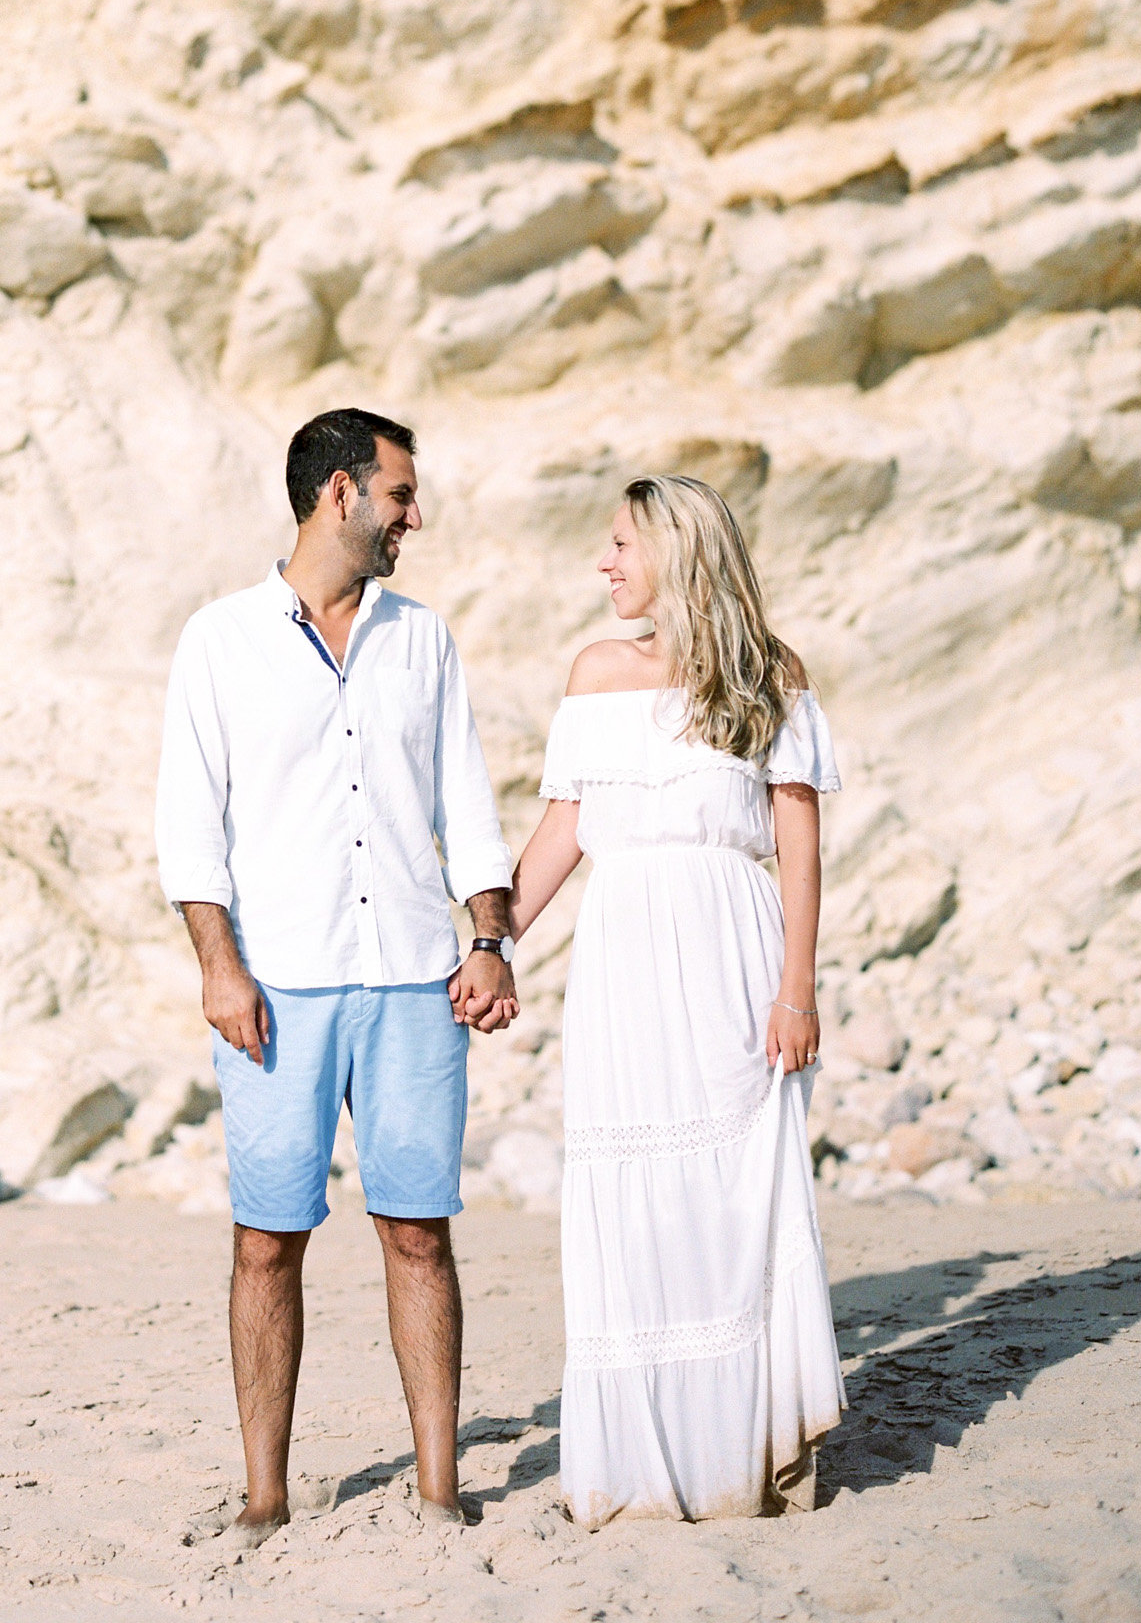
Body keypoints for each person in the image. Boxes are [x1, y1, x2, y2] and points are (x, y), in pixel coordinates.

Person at [155, 407, 518, 1545]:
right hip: (280, 982)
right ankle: (265, 1493)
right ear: (339, 494)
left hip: (413, 975)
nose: (417, 512)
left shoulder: (423, 638)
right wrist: (220, 968)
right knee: (267, 1237)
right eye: (401, 493)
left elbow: (466, 798)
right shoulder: (217, 638)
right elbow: (187, 823)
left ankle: (439, 1487)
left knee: (418, 1229)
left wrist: (489, 936)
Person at [508, 474, 846, 1527]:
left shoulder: (767, 673)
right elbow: (566, 823)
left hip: (732, 954)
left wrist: (796, 986)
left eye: (618, 543)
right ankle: (637, 1472)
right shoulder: (595, 672)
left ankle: (735, 1460)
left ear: (674, 549)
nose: (602, 564)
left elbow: (796, 840)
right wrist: (485, 941)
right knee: (633, 1194)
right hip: (624, 960)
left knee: (731, 1198)